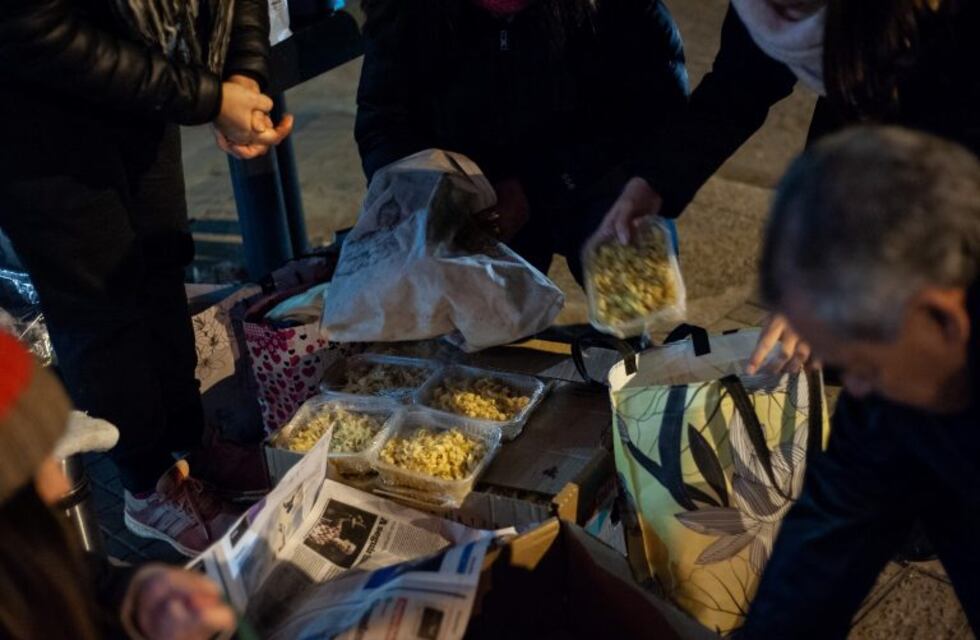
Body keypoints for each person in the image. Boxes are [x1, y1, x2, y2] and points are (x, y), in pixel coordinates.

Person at [0, 0, 293, 556]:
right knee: (102, 303)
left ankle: (189, 444)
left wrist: (243, 76)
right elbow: (32, 26)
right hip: (38, 121)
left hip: (145, 94)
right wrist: (210, 99)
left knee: (161, 267)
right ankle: (147, 483)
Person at [592, 0, 980, 373]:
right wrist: (653, 180)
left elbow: (926, 187)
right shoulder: (763, 7)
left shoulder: (947, 42)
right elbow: (739, 85)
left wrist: (830, 281)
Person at [739, 126, 980, 637]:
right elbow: (826, 539)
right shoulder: (900, 387)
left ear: (944, 319)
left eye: (863, 367)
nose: (859, 392)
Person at [355, 0, 687, 284]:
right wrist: (431, 200)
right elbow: (383, 120)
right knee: (469, 324)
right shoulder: (405, 9)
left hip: (586, 175)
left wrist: (537, 187)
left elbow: (656, 115)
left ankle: (629, 346)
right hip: (478, 194)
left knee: (635, 267)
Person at [0, 331, 237, 639]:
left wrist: (138, 595)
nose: (61, 485)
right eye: (35, 469)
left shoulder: (22, 560)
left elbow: (83, 583)